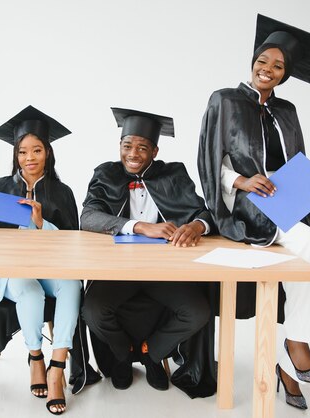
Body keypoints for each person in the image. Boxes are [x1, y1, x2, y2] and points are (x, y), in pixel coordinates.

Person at [197, 14, 310, 410]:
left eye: (278, 66)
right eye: (264, 61)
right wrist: (241, 182)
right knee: (305, 245)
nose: (268, 69)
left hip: (285, 201)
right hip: (247, 203)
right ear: (254, 60)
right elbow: (209, 159)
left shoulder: (288, 111)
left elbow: (296, 163)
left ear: (285, 75)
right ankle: (292, 358)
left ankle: (293, 346)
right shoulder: (223, 100)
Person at [0, 106, 91, 415]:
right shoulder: (0, 187)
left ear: (48, 152)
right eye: (23, 152)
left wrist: (42, 223)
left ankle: (57, 367)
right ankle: (35, 357)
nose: (29, 158)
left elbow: (74, 243)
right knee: (27, 288)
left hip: (52, 269)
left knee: (71, 284)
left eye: (37, 150)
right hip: (11, 271)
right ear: (15, 155)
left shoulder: (62, 191)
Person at [81, 107, 213, 392]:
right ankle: (121, 356)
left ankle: (152, 354)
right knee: (92, 311)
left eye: (142, 148)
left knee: (198, 311)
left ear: (154, 151)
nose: (133, 154)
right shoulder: (105, 174)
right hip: (117, 271)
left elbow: (204, 213)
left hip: (162, 272)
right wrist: (139, 226)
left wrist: (197, 226)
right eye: (127, 146)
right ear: (120, 146)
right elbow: (88, 217)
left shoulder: (174, 174)